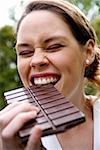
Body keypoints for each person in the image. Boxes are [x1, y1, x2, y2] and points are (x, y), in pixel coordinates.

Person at [0, 0, 100, 149]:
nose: (36, 60)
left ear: (88, 52)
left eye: (54, 46)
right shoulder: (6, 136)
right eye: (25, 52)